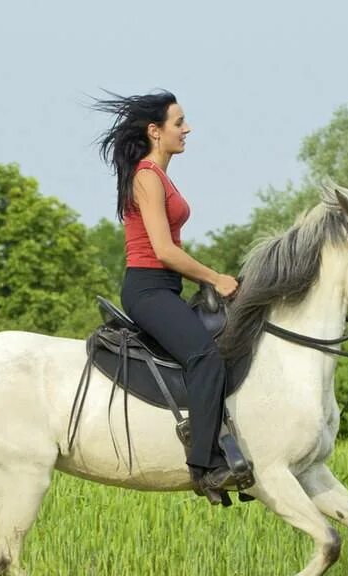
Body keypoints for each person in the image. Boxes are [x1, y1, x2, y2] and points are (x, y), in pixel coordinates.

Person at [94, 90, 248, 503]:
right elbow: (163, 250)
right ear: (154, 131)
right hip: (147, 289)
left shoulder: (160, 175)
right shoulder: (146, 176)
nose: (187, 129)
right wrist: (214, 277)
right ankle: (205, 466)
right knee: (204, 356)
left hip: (166, 288)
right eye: (179, 123)